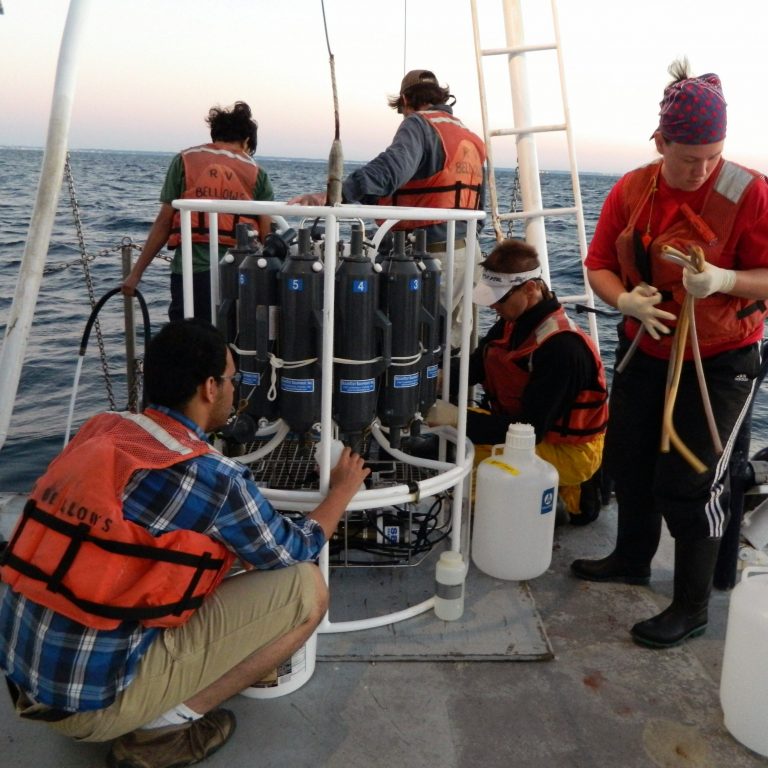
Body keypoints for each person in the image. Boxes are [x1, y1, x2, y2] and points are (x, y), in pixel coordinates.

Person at [0, 319, 369, 768]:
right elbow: (295, 548)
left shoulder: (102, 428)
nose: (234, 389)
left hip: (26, 682)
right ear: (210, 388)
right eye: (231, 379)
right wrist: (341, 493)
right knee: (306, 589)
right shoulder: (215, 478)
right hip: (91, 707)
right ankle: (162, 733)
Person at [570, 59, 768, 648]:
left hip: (721, 361)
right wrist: (624, 299)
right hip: (646, 349)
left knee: (693, 478)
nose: (702, 169)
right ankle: (631, 558)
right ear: (660, 142)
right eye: (689, 158)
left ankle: (691, 606)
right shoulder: (632, 189)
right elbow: (598, 264)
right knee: (629, 461)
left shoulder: (751, 192)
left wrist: (725, 281)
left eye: (713, 156)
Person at [290, 69, 486, 342]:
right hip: (468, 254)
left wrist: (338, 193)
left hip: (432, 258)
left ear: (404, 100)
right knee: (452, 342)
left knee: (413, 341)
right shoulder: (471, 137)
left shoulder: (418, 125)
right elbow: (478, 203)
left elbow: (391, 169)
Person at [427, 239, 608, 524]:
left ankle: (562, 495)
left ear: (530, 288)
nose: (493, 306)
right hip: (525, 429)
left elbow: (530, 430)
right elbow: (477, 365)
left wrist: (457, 419)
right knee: (442, 439)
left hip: (568, 450)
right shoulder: (513, 321)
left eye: (499, 298)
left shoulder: (562, 348)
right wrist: (430, 380)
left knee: (469, 460)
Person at [122, 101, 274, 322]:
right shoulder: (258, 173)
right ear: (247, 141)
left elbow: (164, 221)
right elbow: (267, 234)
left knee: (189, 335)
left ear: (214, 135)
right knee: (235, 336)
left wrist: (136, 274)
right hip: (240, 275)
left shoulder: (184, 161)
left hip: (191, 274)